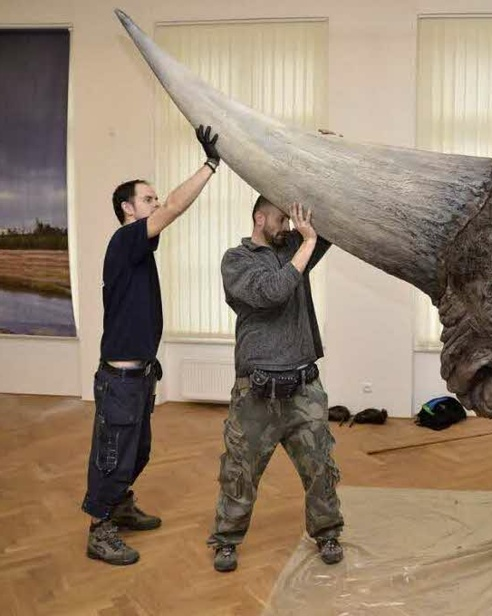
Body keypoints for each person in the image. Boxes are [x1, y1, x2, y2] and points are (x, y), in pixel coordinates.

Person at [83, 125, 222, 565]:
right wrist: (210, 164)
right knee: (113, 456)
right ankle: (99, 529)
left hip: (139, 377)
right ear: (128, 208)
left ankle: (120, 506)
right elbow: (176, 206)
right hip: (120, 380)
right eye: (148, 198)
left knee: (137, 452)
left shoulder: (139, 249)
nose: (157, 203)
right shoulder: (126, 239)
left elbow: (168, 208)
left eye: (155, 197)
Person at [208, 196, 343, 572]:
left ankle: (327, 531)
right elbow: (271, 292)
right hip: (256, 393)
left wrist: (316, 180)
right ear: (259, 218)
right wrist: (308, 242)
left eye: (290, 221)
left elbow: (331, 225)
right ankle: (226, 540)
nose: (288, 227)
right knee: (240, 473)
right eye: (282, 220)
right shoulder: (237, 260)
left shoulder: (294, 248)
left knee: (321, 469)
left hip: (304, 388)